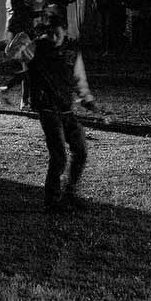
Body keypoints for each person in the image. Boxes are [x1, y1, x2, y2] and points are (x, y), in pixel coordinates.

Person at [27, 23, 88, 208]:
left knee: (81, 150)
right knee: (59, 156)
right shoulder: (38, 50)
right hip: (48, 109)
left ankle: (69, 192)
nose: (53, 37)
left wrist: (87, 98)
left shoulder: (71, 54)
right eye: (50, 33)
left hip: (65, 109)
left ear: (64, 31)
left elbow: (79, 78)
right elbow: (16, 59)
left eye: (56, 32)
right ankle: (51, 200)